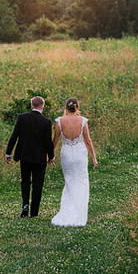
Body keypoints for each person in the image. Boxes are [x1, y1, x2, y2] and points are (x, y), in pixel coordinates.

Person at [51, 97, 98, 227]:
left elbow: (55, 141)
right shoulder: (82, 121)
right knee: (81, 181)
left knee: (70, 181)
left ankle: (68, 211)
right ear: (77, 108)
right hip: (80, 153)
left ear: (66, 108)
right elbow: (88, 141)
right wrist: (93, 157)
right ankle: (79, 212)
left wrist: (50, 156)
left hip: (66, 153)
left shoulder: (59, 121)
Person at [5, 95, 55, 218]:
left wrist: (8, 153)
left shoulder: (22, 118)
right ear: (42, 106)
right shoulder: (46, 122)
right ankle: (34, 212)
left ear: (32, 105)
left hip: (25, 156)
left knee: (25, 181)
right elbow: (48, 142)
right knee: (38, 184)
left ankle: (25, 206)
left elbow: (14, 136)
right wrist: (51, 156)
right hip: (39, 158)